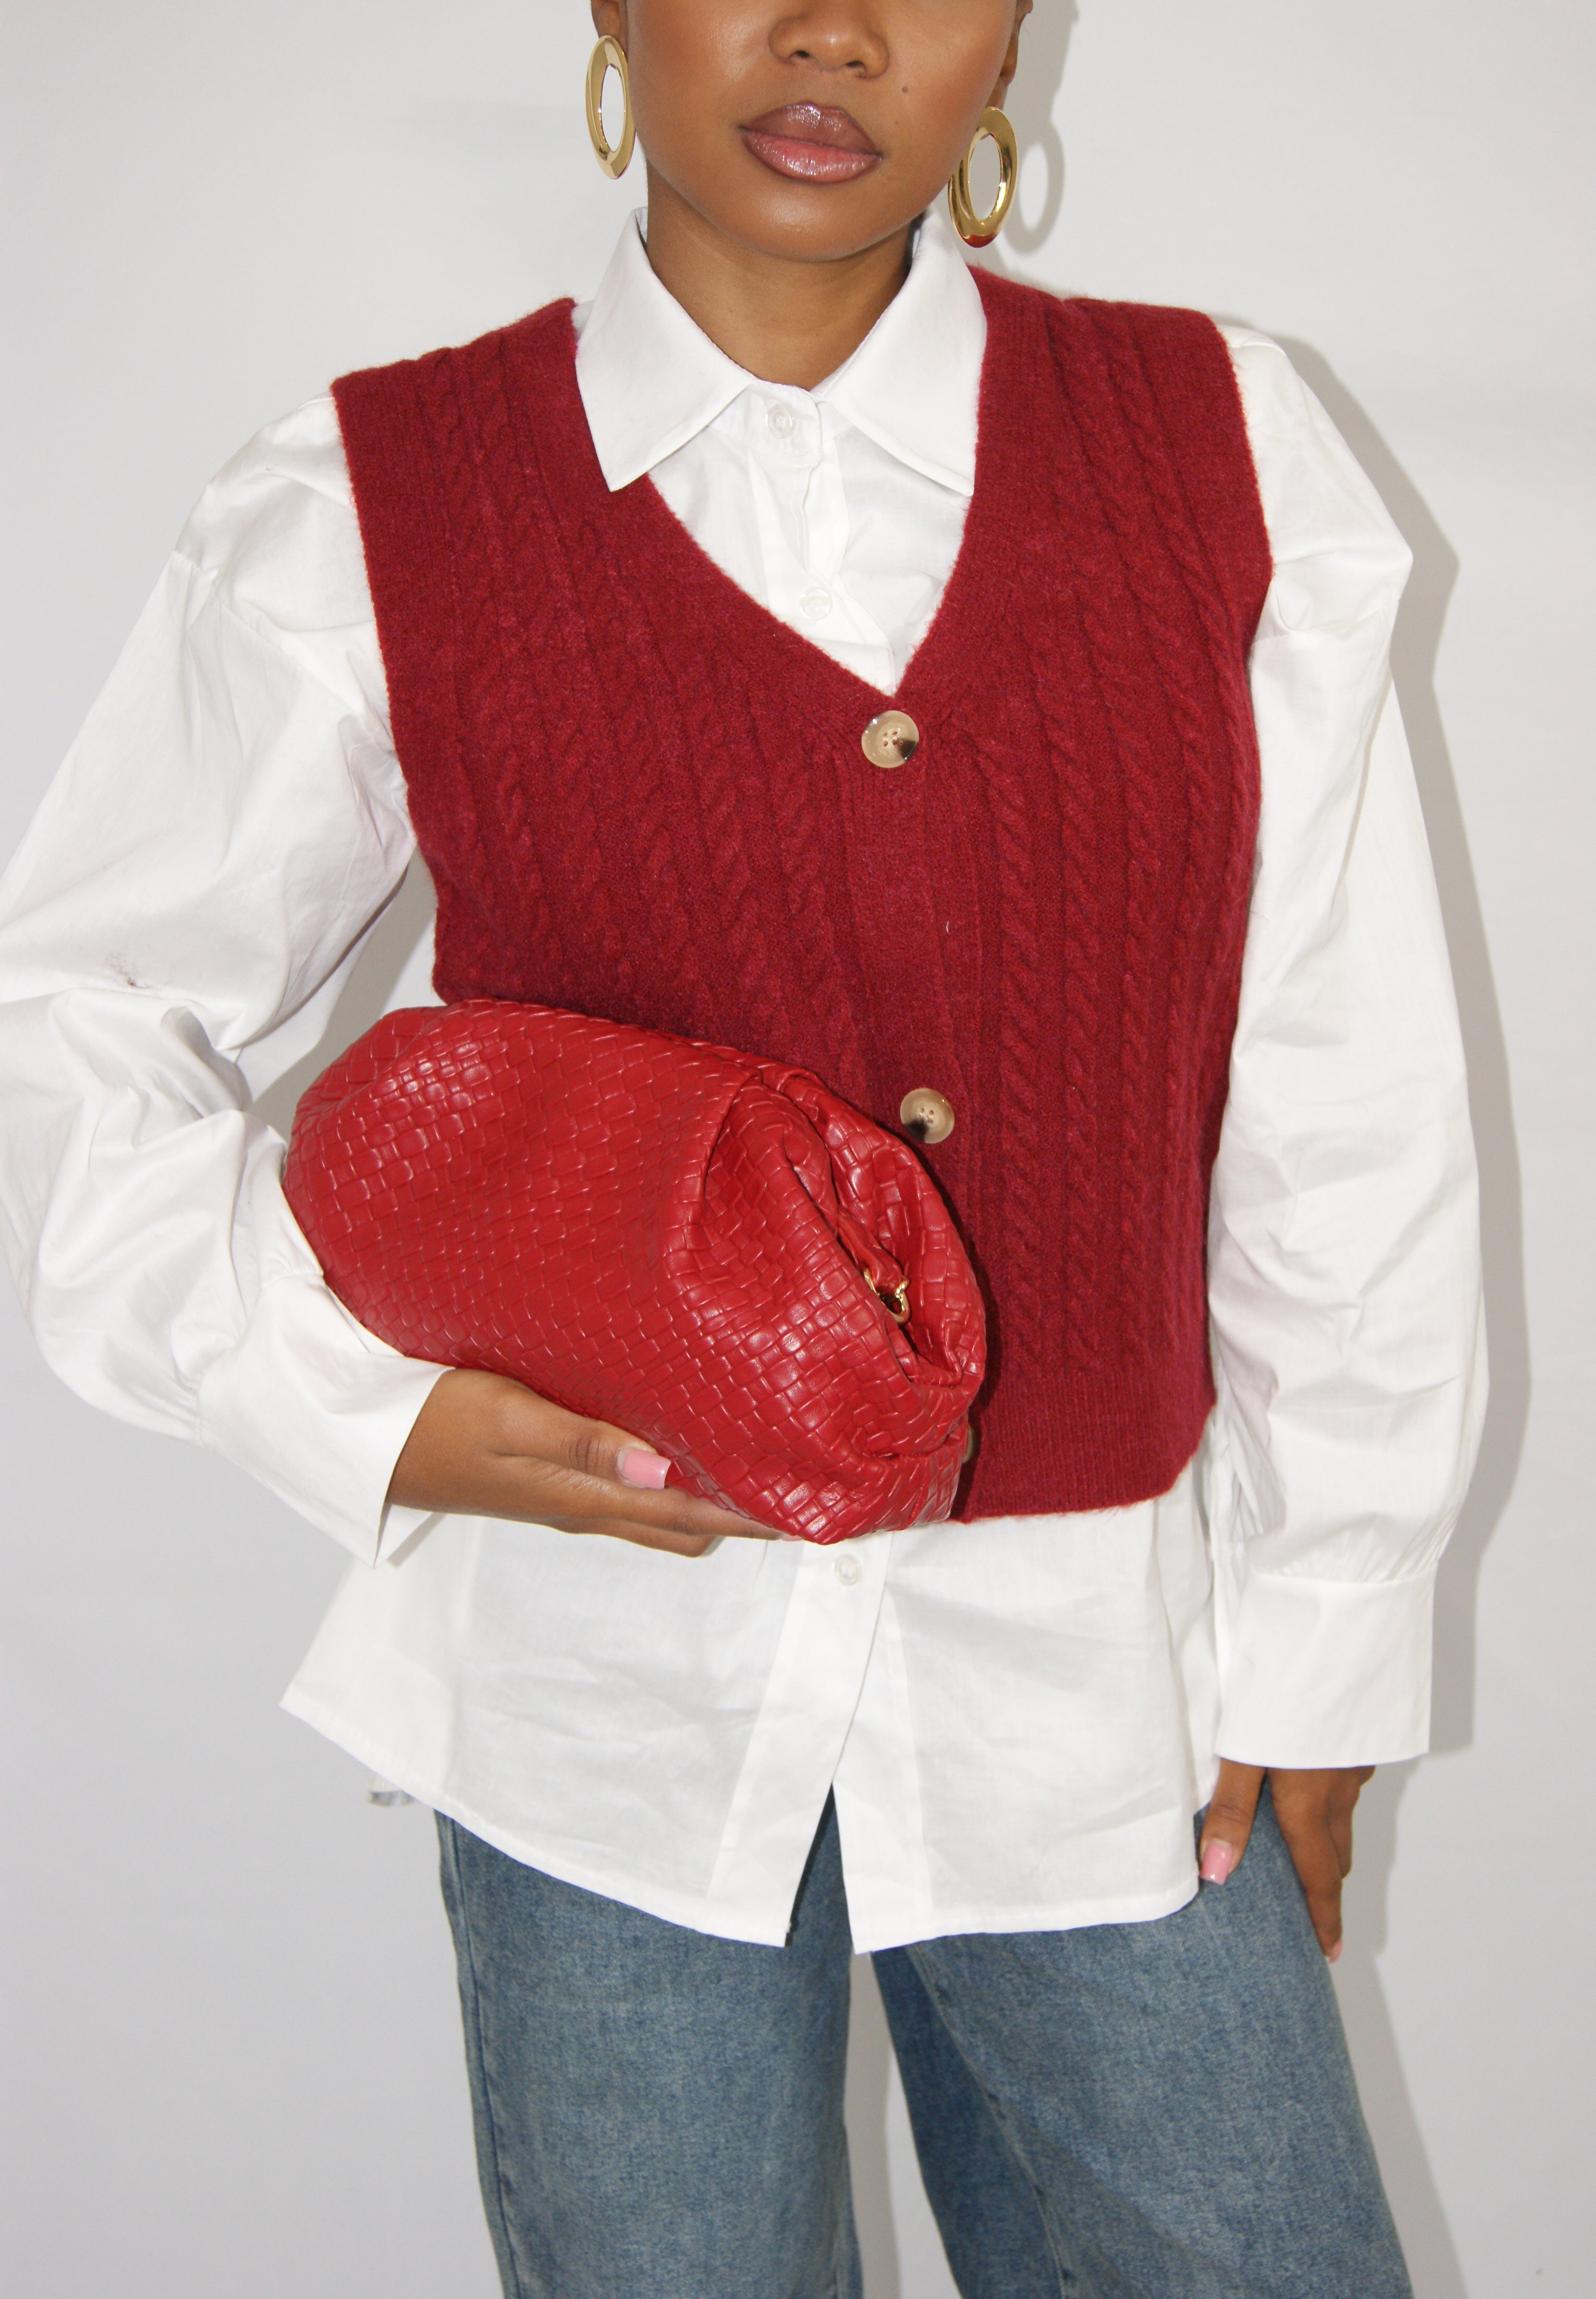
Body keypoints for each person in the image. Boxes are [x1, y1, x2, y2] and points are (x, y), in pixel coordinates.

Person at [0, 3, 1485, 2293]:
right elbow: (77, 1012)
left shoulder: (1224, 447)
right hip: (604, 1705)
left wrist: (1329, 1626)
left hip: (1104, 1695)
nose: (831, 29)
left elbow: (1341, 1086)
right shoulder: (375, 500)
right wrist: (364, 1415)